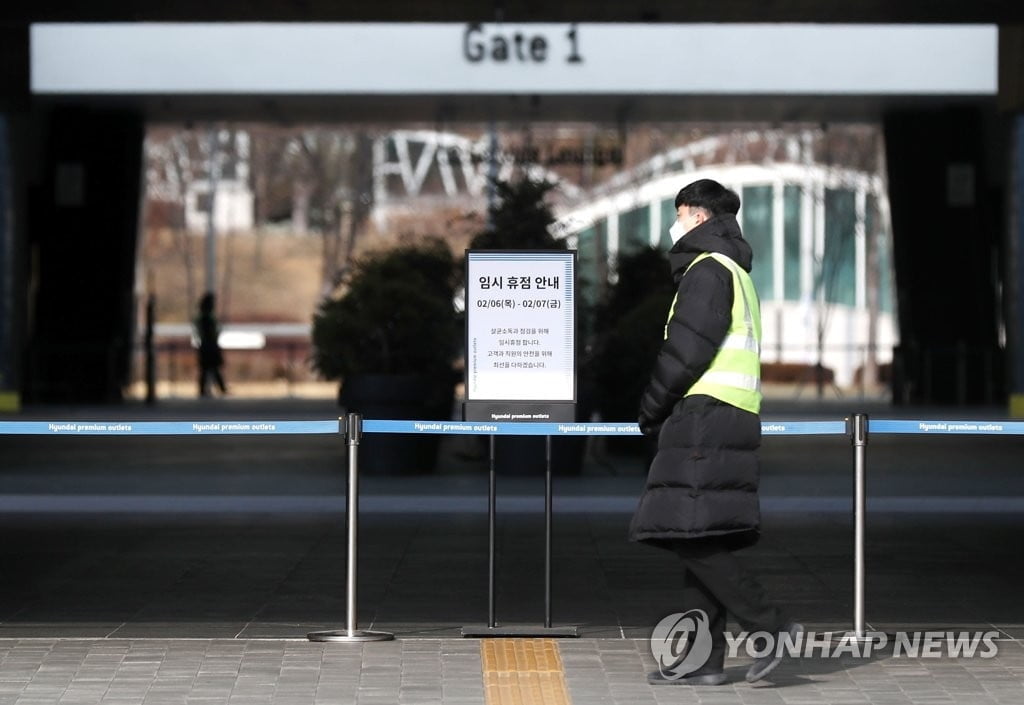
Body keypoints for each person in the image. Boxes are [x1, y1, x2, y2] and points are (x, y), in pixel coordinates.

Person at [629, 179, 801, 686]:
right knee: (697, 532)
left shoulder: (706, 272)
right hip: (730, 415)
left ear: (697, 217)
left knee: (691, 536)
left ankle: (772, 626)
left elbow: (687, 352)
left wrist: (651, 408)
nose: (675, 224)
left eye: (680, 214)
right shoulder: (735, 271)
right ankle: (704, 660)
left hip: (704, 414)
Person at [194, 292, 228, 397]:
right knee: (212, 368)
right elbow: (211, 333)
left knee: (207, 369)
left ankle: (204, 390)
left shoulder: (202, 317)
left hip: (205, 345)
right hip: (209, 345)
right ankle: (219, 389)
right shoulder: (207, 318)